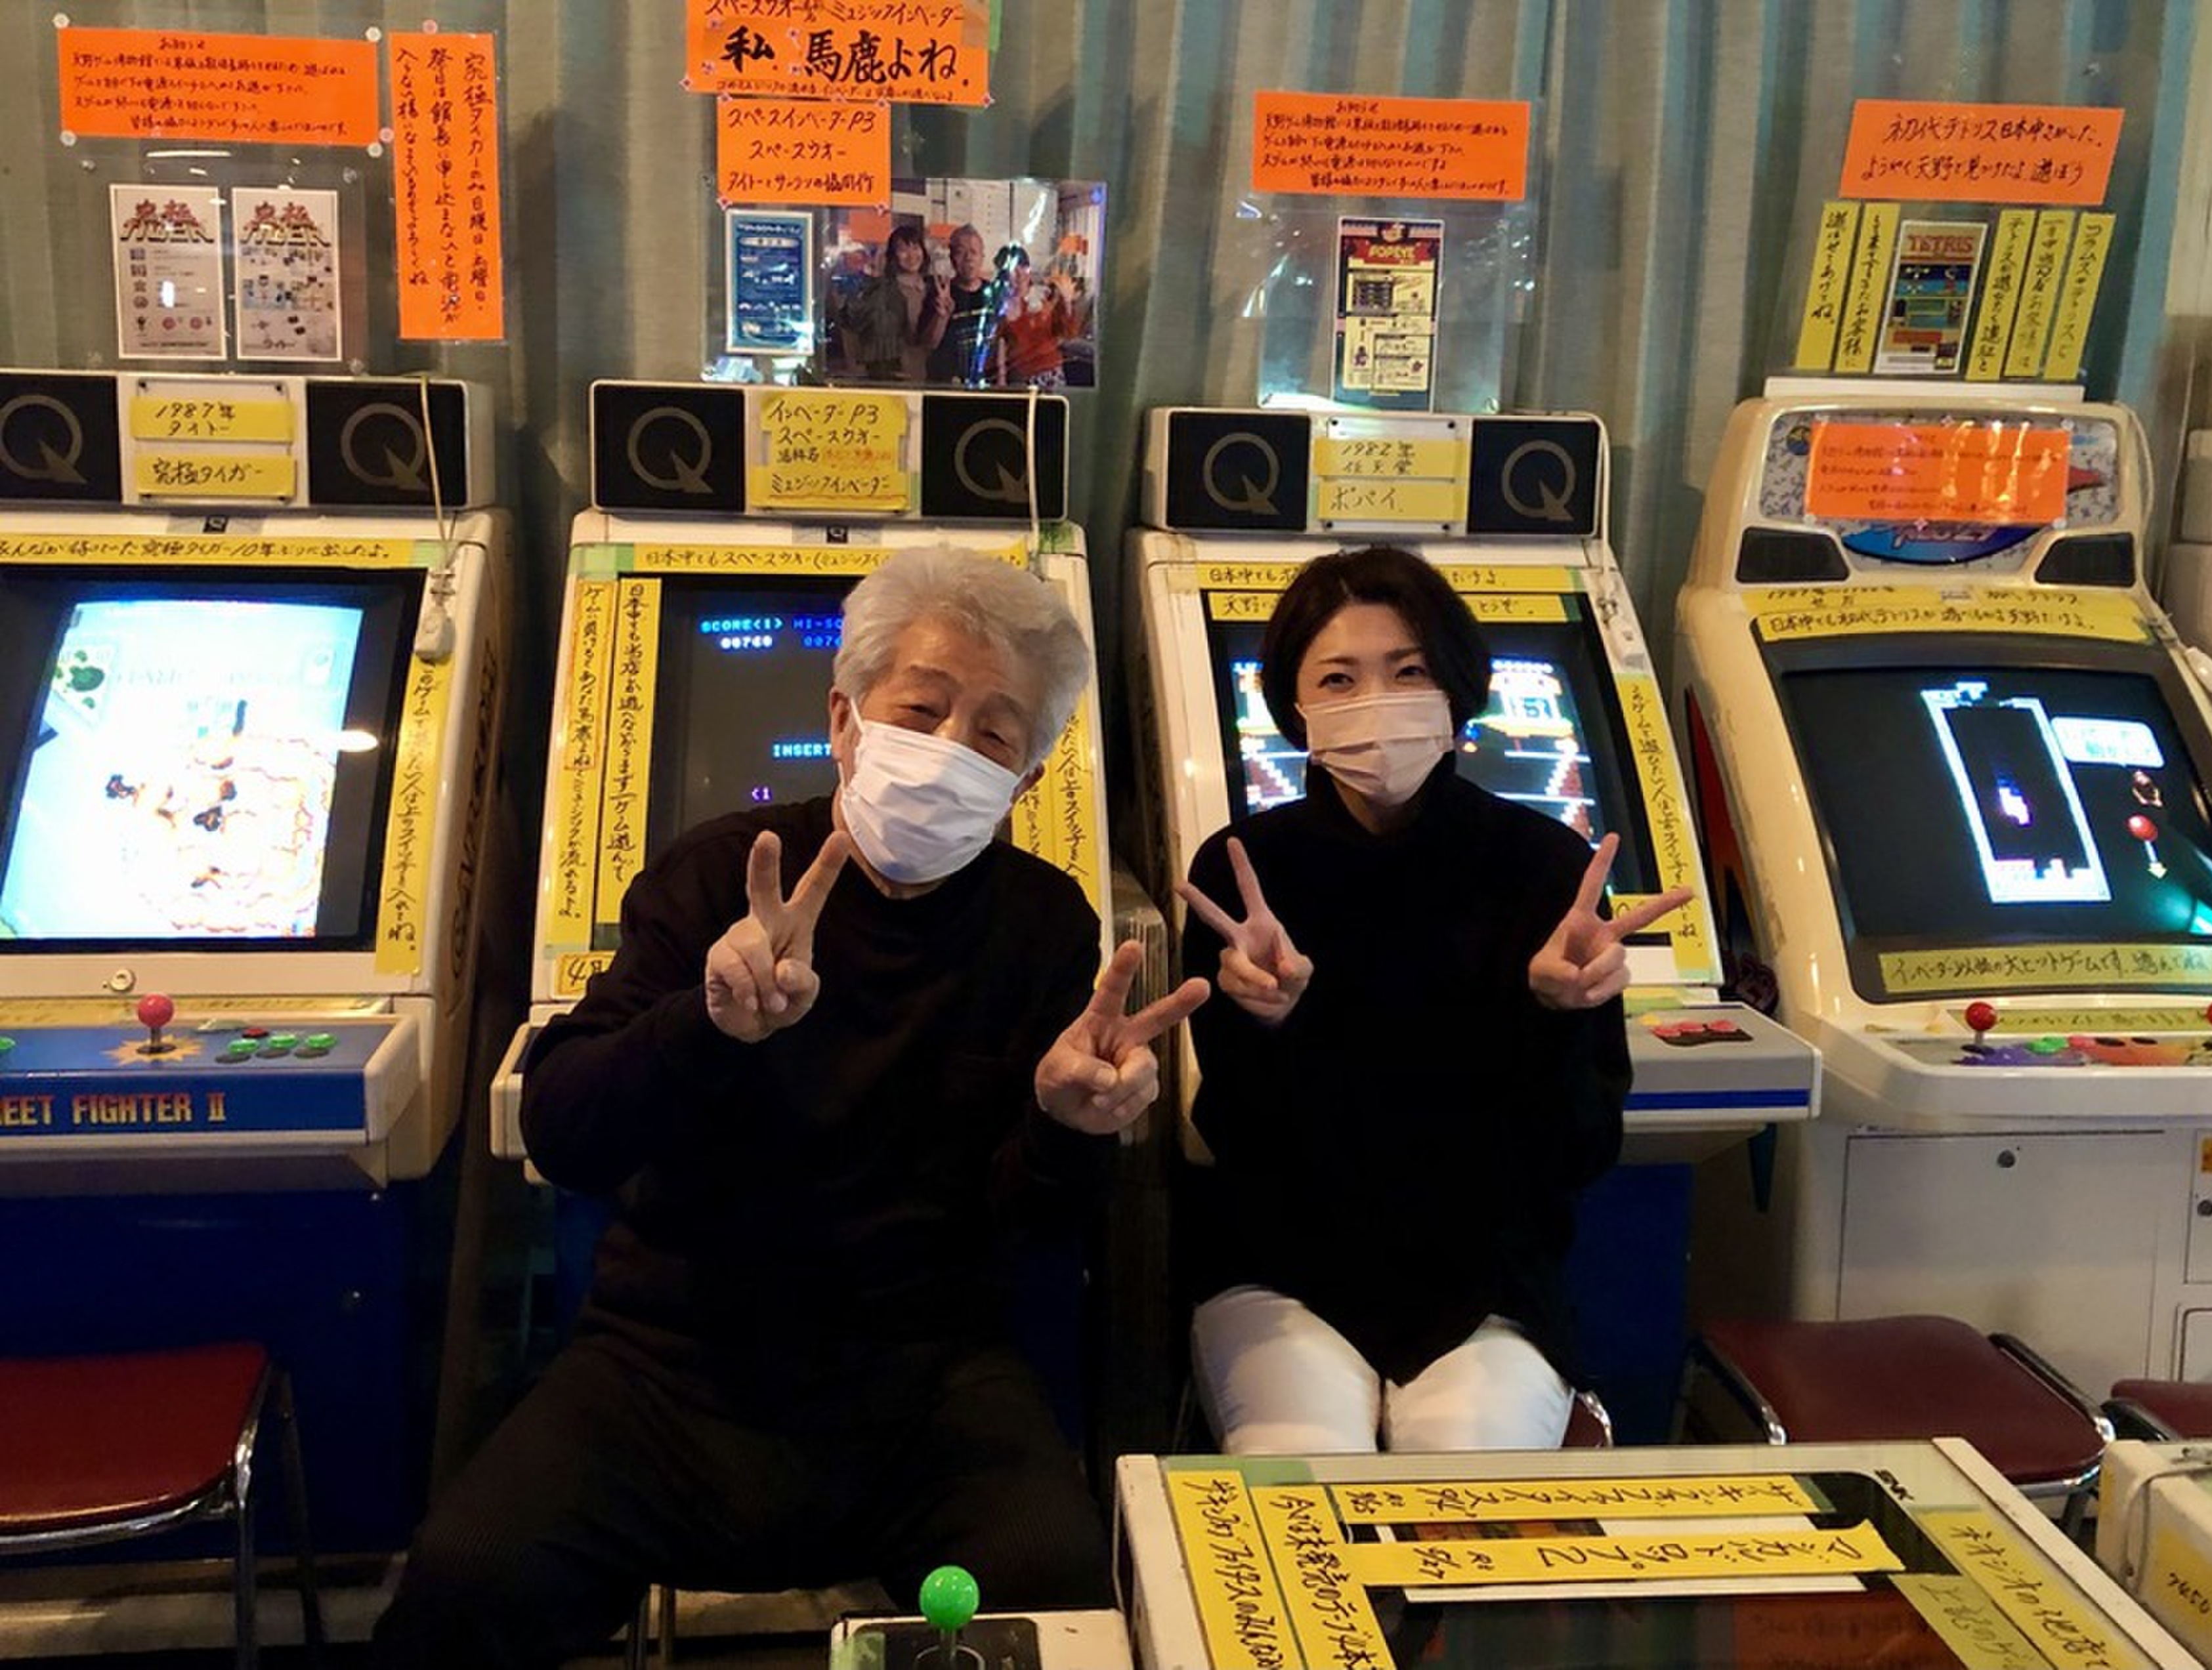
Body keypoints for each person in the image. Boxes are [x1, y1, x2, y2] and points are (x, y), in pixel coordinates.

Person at [373, 547, 1208, 1670]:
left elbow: (1035, 1226)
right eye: (921, 708)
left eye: (994, 733)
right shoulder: (719, 874)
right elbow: (566, 1130)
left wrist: (1069, 1128)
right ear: (845, 718)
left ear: (1025, 779)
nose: (948, 747)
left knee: (1059, 1603)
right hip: (672, 1363)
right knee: (463, 1582)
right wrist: (706, 1024)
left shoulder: (1044, 924)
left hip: (928, 1380)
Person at [1175, 545, 1691, 1457]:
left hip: (1489, 1283)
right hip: (1282, 1272)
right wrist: (1267, 1024)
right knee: (1305, 1477)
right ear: (1295, 708)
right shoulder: (1244, 871)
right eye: (1338, 678)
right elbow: (1240, 1143)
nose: (1376, 701)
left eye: (1409, 671)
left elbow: (1578, 1152)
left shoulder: (1547, 867)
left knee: (1460, 1485)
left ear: (1457, 688)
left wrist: (1558, 1018)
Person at [838, 222, 936, 381]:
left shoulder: (934, 288)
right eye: (903, 250)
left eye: (916, 248)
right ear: (893, 255)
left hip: (932, 376)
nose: (911, 255)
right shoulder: (880, 292)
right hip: (894, 375)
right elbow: (852, 329)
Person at [991, 250, 1078, 391]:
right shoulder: (1001, 306)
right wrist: (1001, 380)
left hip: (1052, 373)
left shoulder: (1045, 297)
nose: (1019, 274)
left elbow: (1068, 332)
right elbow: (1000, 344)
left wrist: (1067, 302)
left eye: (1023, 267)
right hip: (1021, 379)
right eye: (1013, 269)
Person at [922, 223, 994, 385]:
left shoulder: (993, 293)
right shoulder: (939, 294)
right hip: (946, 386)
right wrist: (941, 317)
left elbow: (1002, 342)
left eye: (974, 252)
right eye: (961, 252)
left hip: (986, 386)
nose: (968, 258)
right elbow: (928, 346)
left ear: (982, 257)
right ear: (952, 258)